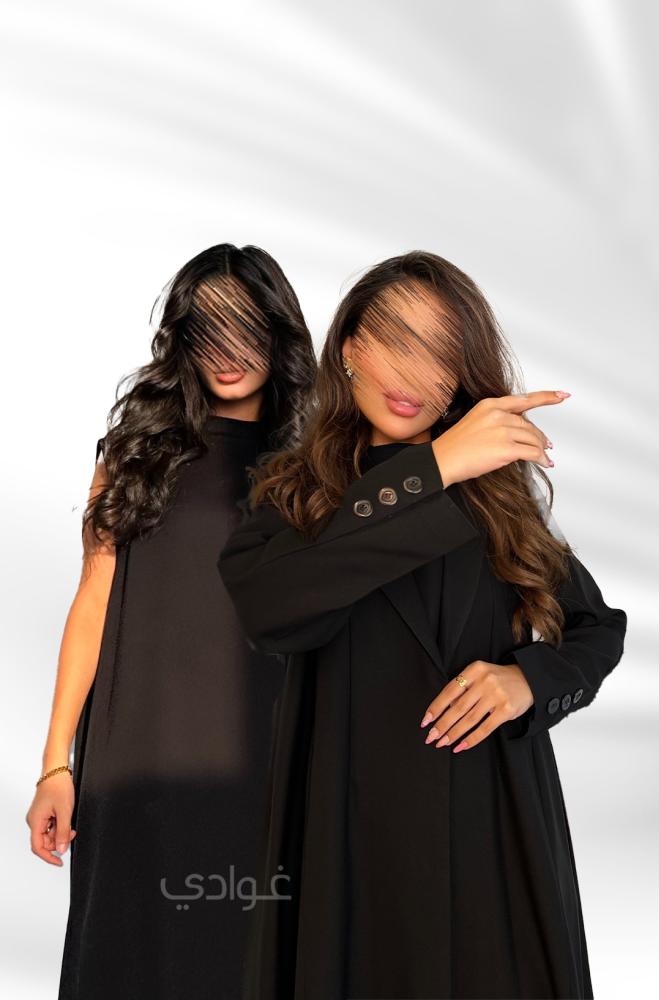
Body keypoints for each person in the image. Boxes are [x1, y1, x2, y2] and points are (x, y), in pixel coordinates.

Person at [217, 251, 627, 1000]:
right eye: (396, 340)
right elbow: (270, 607)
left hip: (492, 825)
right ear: (350, 347)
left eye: (441, 353)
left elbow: (597, 628)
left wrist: (528, 681)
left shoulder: (498, 498)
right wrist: (431, 468)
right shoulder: (293, 494)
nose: (414, 373)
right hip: (346, 836)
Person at [25, 243, 317, 1000]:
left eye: (246, 326)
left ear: (278, 335)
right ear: (182, 338)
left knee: (248, 962)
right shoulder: (134, 454)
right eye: (207, 328)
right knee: (131, 960)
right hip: (134, 757)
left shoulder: (313, 469)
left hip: (264, 759)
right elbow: (93, 600)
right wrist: (56, 766)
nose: (228, 349)